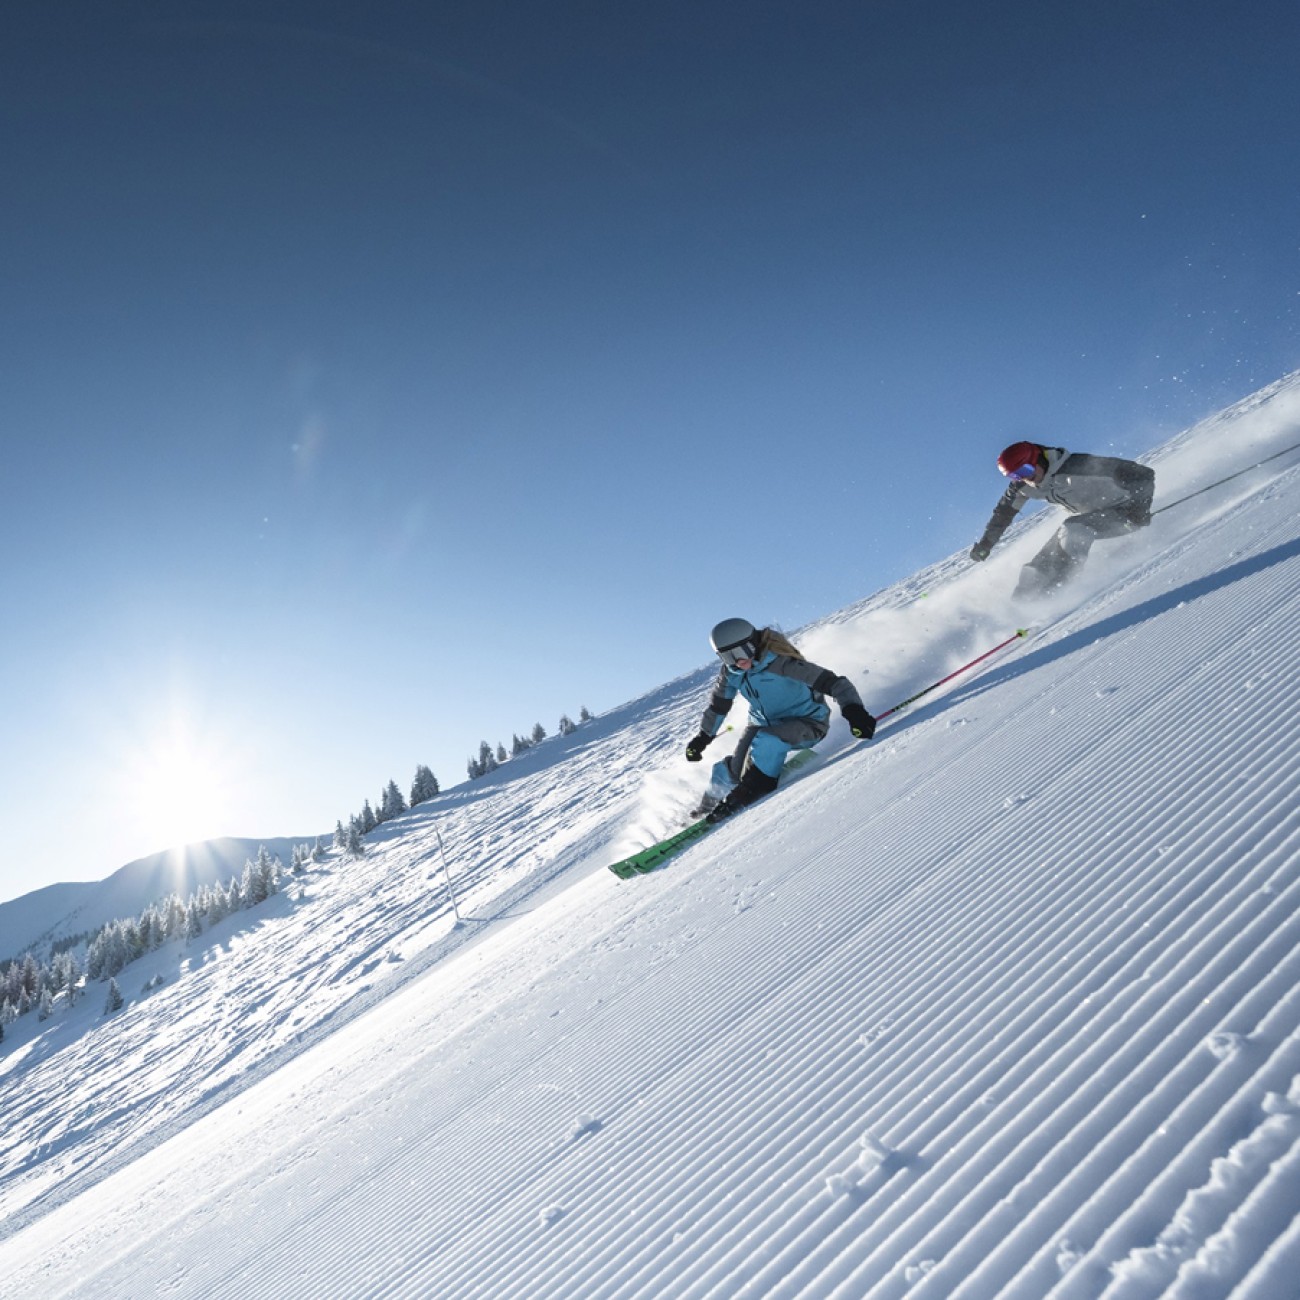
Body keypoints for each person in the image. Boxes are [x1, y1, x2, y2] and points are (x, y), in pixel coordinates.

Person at [685, 618, 876, 824]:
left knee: (768, 741)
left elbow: (835, 684)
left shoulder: (781, 662)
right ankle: (705, 810)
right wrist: (702, 738)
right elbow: (718, 707)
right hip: (761, 725)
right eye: (728, 656)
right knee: (731, 770)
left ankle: (755, 787)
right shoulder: (732, 673)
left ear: (754, 643)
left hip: (808, 723)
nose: (738, 662)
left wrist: (855, 712)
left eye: (742, 652)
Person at [970, 441, 1156, 598]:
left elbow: (1144, 474)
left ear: (1038, 458)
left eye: (1025, 469)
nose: (1026, 478)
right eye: (1015, 475)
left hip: (1123, 514)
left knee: (1073, 528)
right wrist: (986, 544)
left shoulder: (1077, 466)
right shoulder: (1022, 485)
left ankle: (1062, 592)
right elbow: (1002, 515)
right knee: (1035, 569)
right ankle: (1020, 610)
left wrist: (1139, 509)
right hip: (1088, 521)